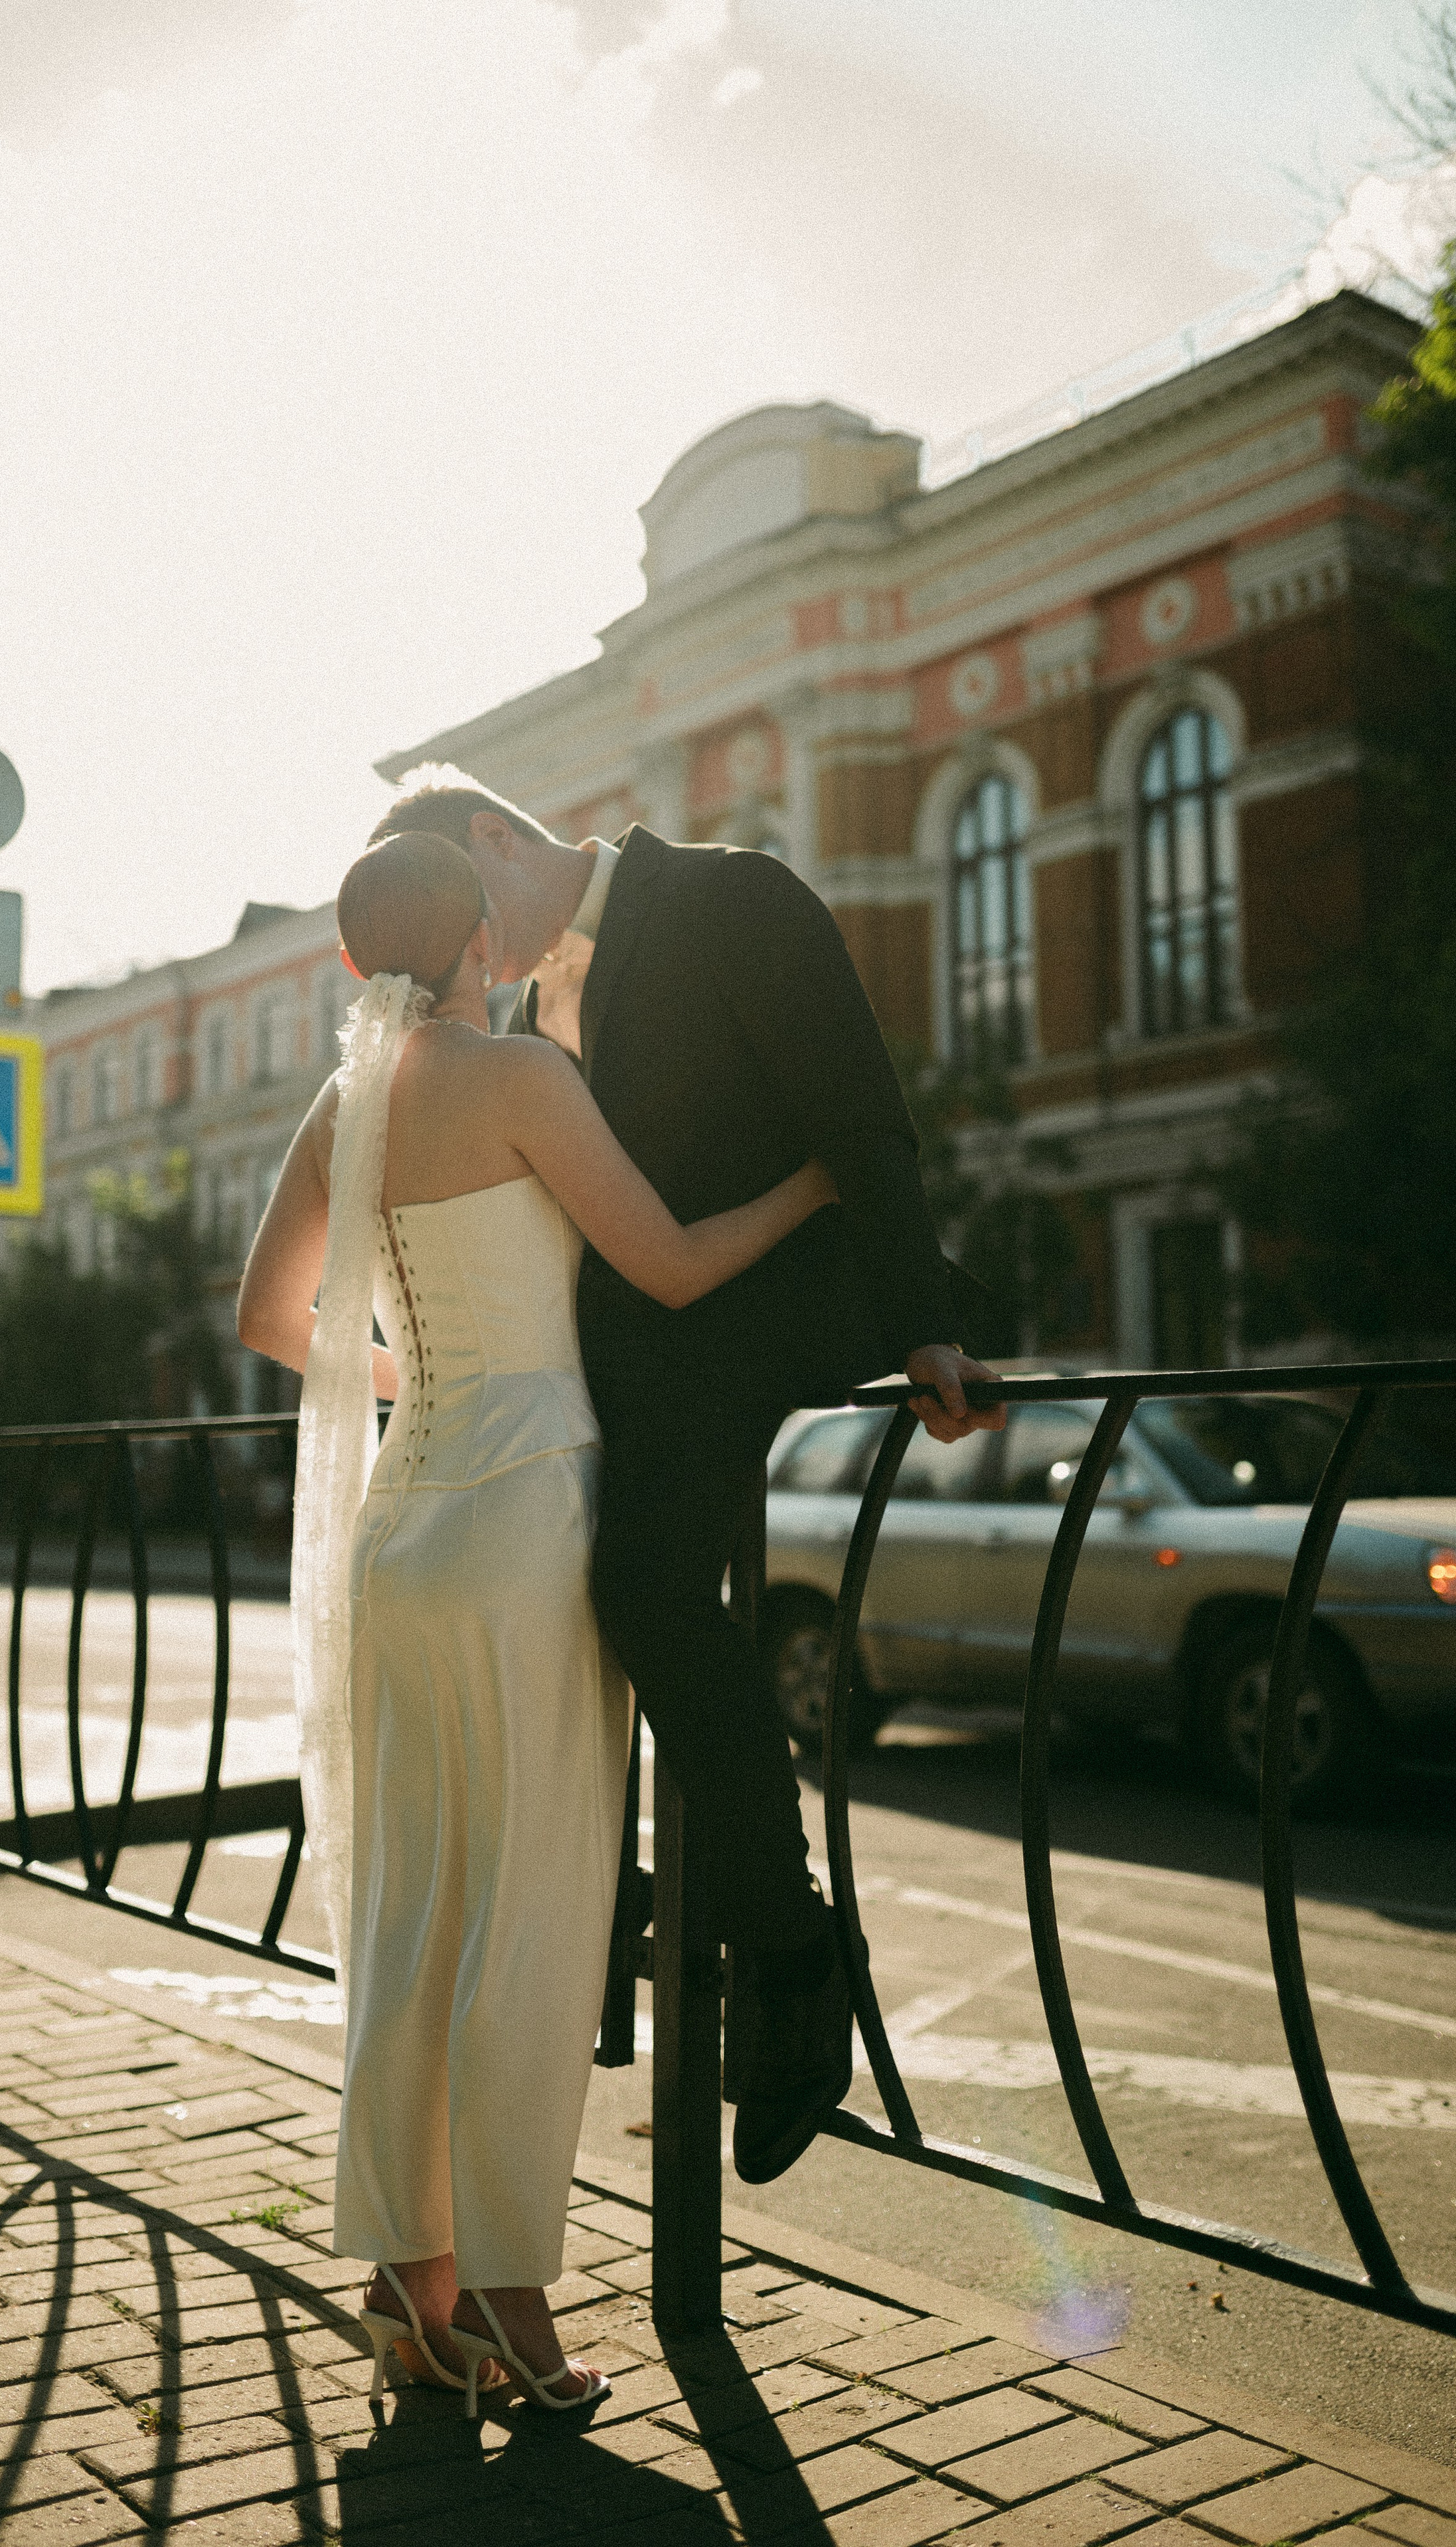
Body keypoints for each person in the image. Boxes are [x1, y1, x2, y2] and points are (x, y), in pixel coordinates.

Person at [238, 830, 841, 2415]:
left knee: (411, 1910)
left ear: (361, 965)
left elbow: (263, 1317)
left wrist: (414, 1392)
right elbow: (675, 1263)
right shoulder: (517, 1080)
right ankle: (510, 2301)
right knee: (534, 1915)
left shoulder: (342, 1106)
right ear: (481, 940)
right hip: (526, 1519)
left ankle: (403, 2283)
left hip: (403, 1529)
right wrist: (819, 1177)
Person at [366, 767, 1005, 2186]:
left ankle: (784, 1957)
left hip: (788, 1305)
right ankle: (628, 1936)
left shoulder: (728, 895)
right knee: (588, 1596)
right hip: (648, 1352)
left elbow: (862, 1115)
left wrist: (924, 1330)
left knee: (642, 1587)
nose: (463, 960)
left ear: (493, 839)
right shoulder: (526, 1008)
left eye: (460, 914)